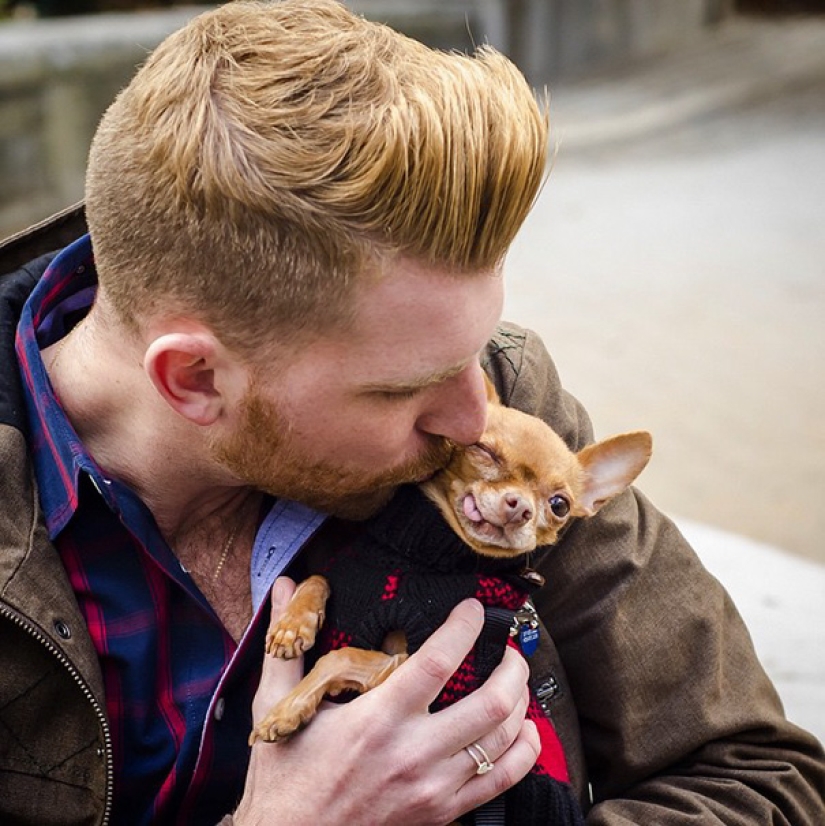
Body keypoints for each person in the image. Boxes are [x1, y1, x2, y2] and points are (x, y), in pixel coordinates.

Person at [0, 1, 822, 823]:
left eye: (471, 352)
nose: (473, 420)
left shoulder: (502, 418)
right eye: (400, 388)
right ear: (195, 379)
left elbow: (759, 778)